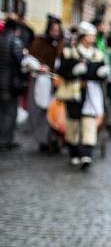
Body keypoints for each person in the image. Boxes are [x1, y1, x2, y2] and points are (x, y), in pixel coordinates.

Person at [54, 21, 109, 169]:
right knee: (73, 124)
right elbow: (61, 72)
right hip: (74, 92)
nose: (92, 38)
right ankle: (74, 153)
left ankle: (86, 154)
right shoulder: (70, 52)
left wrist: (102, 73)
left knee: (89, 123)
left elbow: (102, 72)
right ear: (83, 36)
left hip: (91, 93)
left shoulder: (97, 54)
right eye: (90, 35)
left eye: (93, 36)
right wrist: (73, 71)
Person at [26, 15, 63, 153]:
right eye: (53, 30)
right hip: (41, 82)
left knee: (55, 112)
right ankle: (43, 140)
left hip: (57, 83)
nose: (55, 33)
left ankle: (54, 140)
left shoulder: (62, 43)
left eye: (57, 30)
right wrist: (39, 67)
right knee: (40, 111)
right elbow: (30, 59)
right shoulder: (39, 42)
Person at [0, 16, 26, 151]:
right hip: (10, 83)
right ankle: (5, 141)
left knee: (2, 112)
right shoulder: (15, 41)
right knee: (10, 113)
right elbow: (21, 61)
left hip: (2, 81)